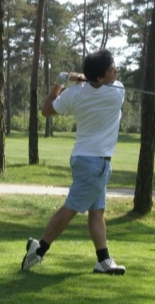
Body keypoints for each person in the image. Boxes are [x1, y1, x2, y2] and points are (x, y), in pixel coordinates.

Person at [21, 50, 126, 275]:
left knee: (97, 212)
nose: (115, 72)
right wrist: (83, 78)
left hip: (85, 159)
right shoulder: (118, 92)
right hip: (95, 164)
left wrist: (61, 82)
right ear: (99, 77)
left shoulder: (75, 93)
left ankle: (103, 260)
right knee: (70, 209)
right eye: (111, 70)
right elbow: (97, 85)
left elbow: (46, 110)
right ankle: (38, 251)